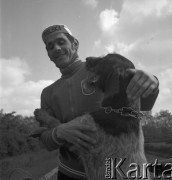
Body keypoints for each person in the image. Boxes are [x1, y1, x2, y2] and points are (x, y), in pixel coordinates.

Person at [38, 24, 159, 180]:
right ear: (48, 53)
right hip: (68, 174)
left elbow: (138, 111)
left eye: (61, 42)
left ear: (74, 44)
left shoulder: (106, 69)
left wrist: (152, 83)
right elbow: (45, 140)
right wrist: (58, 132)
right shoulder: (47, 93)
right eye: (50, 46)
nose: (56, 48)